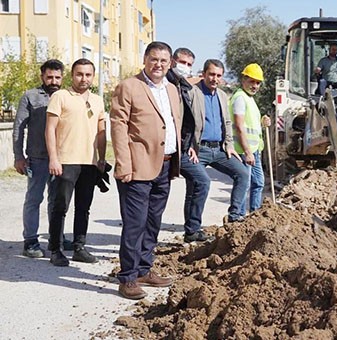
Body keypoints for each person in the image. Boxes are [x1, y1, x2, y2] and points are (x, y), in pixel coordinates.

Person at [111, 41, 181, 300]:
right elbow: (118, 126)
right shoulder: (129, 86)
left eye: (163, 60)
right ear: (145, 59)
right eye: (154, 59)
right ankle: (127, 277)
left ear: (170, 63)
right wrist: (124, 164)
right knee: (135, 223)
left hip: (165, 164)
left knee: (153, 222)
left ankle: (143, 269)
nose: (158, 64)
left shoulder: (172, 90)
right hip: (137, 168)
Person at [45, 58, 106, 266]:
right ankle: (55, 249)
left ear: (93, 76)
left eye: (88, 75)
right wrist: (54, 157)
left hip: (89, 162)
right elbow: (50, 129)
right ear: (72, 75)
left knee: (83, 207)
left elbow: (101, 132)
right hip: (65, 161)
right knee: (60, 206)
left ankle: (80, 247)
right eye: (79, 74)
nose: (83, 79)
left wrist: (101, 158)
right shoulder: (60, 96)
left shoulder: (98, 100)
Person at [13, 59, 67, 258]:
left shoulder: (66, 96)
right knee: (34, 199)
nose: (53, 81)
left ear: (62, 77)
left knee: (58, 201)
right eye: (49, 77)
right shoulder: (30, 96)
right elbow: (18, 127)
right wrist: (19, 156)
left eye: (57, 77)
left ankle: (57, 237)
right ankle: (30, 241)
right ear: (42, 76)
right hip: (37, 159)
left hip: (62, 159)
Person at [192, 59, 249, 224]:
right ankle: (193, 229)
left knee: (243, 174)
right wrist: (189, 145)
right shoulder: (193, 93)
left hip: (219, 150)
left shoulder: (223, 96)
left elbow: (228, 122)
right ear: (203, 74)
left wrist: (229, 146)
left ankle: (235, 216)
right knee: (197, 186)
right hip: (199, 150)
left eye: (218, 75)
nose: (214, 79)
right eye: (211, 74)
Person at [166, 47, 212, 242]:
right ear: (173, 61)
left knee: (201, 180)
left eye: (189, 64)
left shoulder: (184, 86)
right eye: (182, 62)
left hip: (183, 148)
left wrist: (191, 144)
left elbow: (187, 120)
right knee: (156, 196)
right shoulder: (165, 84)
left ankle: (192, 229)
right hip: (165, 147)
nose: (185, 67)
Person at [230, 63, 271, 216]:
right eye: (252, 81)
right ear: (244, 80)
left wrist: (263, 121)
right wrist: (247, 152)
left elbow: (250, 123)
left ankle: (254, 215)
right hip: (243, 151)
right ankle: (239, 217)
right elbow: (239, 126)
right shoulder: (240, 98)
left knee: (258, 183)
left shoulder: (250, 99)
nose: (255, 85)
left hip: (255, 151)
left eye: (258, 82)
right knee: (244, 185)